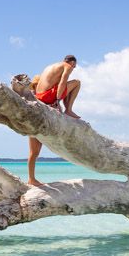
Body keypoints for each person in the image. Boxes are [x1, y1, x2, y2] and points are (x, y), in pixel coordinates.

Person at [27, 56, 81, 186]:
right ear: (71, 63)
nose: (73, 68)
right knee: (77, 82)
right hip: (48, 98)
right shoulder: (66, 66)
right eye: (74, 66)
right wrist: (57, 101)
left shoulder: (50, 67)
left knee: (34, 152)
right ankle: (69, 109)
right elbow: (63, 82)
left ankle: (31, 179)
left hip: (40, 100)